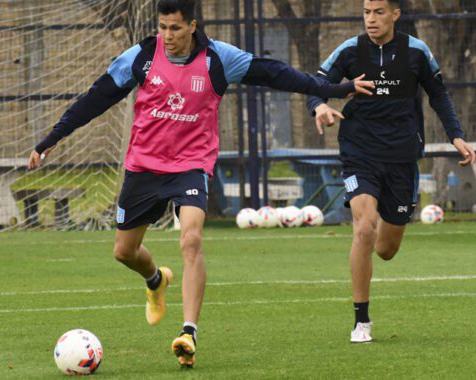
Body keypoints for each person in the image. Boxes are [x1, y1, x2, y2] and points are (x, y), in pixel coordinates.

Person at [28, 0, 374, 368]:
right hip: (144, 166)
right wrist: (52, 139)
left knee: (191, 238)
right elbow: (97, 97)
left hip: (191, 166)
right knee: (124, 252)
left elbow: (275, 73)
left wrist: (335, 89)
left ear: (192, 25)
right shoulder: (143, 56)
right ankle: (155, 278)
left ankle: (188, 333)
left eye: (175, 28)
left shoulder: (218, 59)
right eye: (162, 27)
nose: (168, 36)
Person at [305, 0, 476, 343]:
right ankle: (361, 322)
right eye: (367, 12)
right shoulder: (350, 50)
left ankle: (390, 215)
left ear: (395, 14)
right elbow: (315, 84)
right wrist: (320, 105)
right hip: (359, 153)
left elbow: (438, 94)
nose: (371, 19)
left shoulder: (416, 51)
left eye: (379, 12)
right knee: (364, 227)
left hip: (401, 157)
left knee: (385, 249)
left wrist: (456, 135)